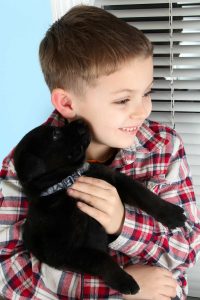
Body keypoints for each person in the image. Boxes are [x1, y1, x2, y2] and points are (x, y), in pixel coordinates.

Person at [0, 5, 199, 300]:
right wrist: (120, 286)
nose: (142, 110)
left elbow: (185, 249)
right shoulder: (26, 166)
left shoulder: (164, 146)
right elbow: (8, 272)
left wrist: (123, 223)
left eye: (147, 92)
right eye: (123, 100)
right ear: (67, 103)